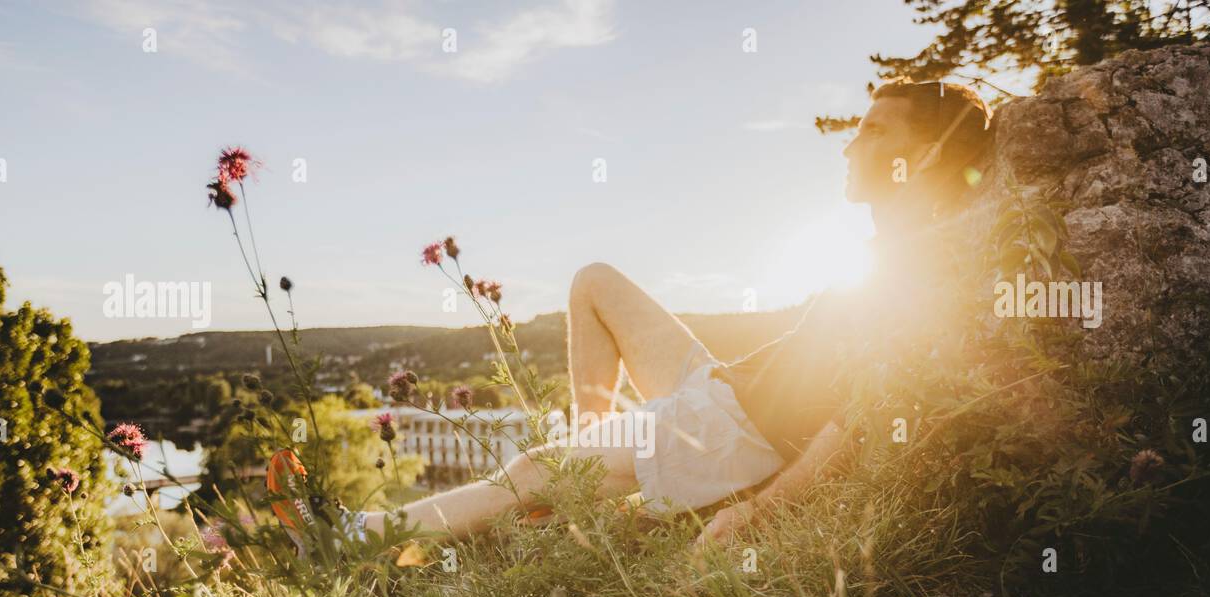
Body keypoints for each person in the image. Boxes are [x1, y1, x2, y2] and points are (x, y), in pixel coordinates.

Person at [268, 79, 994, 557]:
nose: (850, 142)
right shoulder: (888, 250)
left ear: (924, 154)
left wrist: (762, 511)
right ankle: (594, 472)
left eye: (872, 131)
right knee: (595, 282)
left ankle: (347, 537)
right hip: (722, 389)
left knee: (531, 467)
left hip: (734, 432)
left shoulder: (920, 269)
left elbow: (861, 414)